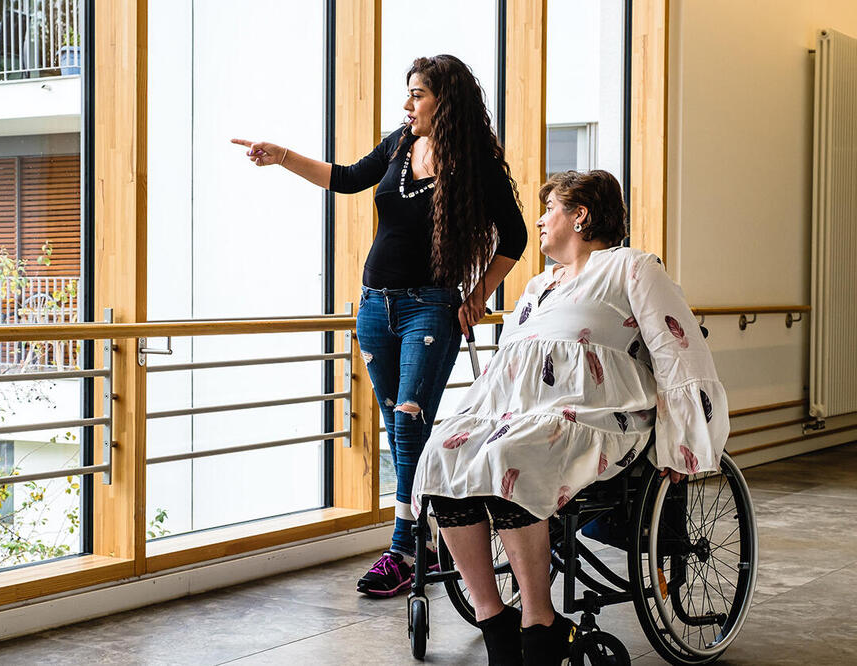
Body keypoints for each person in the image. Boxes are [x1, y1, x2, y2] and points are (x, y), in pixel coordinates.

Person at [232, 55, 527, 597]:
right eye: (408, 94)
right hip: (374, 307)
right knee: (398, 426)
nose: (407, 104)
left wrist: (477, 299)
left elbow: (514, 237)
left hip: (430, 310)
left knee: (411, 421)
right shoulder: (397, 144)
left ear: (446, 101)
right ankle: (429, 535)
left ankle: (403, 550)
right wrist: (282, 157)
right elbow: (345, 179)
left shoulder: (476, 163)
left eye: (417, 94)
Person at [411, 169, 729, 665]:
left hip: (597, 414)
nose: (539, 221)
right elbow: (507, 369)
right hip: (515, 412)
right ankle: (494, 618)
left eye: (550, 209)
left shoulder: (633, 268)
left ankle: (539, 620)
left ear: (579, 215)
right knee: (439, 458)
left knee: (509, 456)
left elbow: (676, 351)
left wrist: (682, 442)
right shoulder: (537, 286)